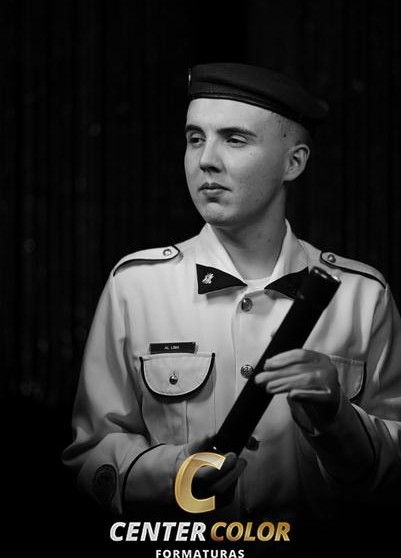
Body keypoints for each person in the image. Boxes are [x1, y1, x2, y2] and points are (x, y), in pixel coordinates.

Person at [62, 63, 401, 555]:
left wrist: (336, 419)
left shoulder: (362, 296)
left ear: (294, 163)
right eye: (195, 138)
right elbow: (91, 453)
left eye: (235, 140)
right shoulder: (135, 286)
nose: (206, 160)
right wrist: (173, 476)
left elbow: (394, 474)